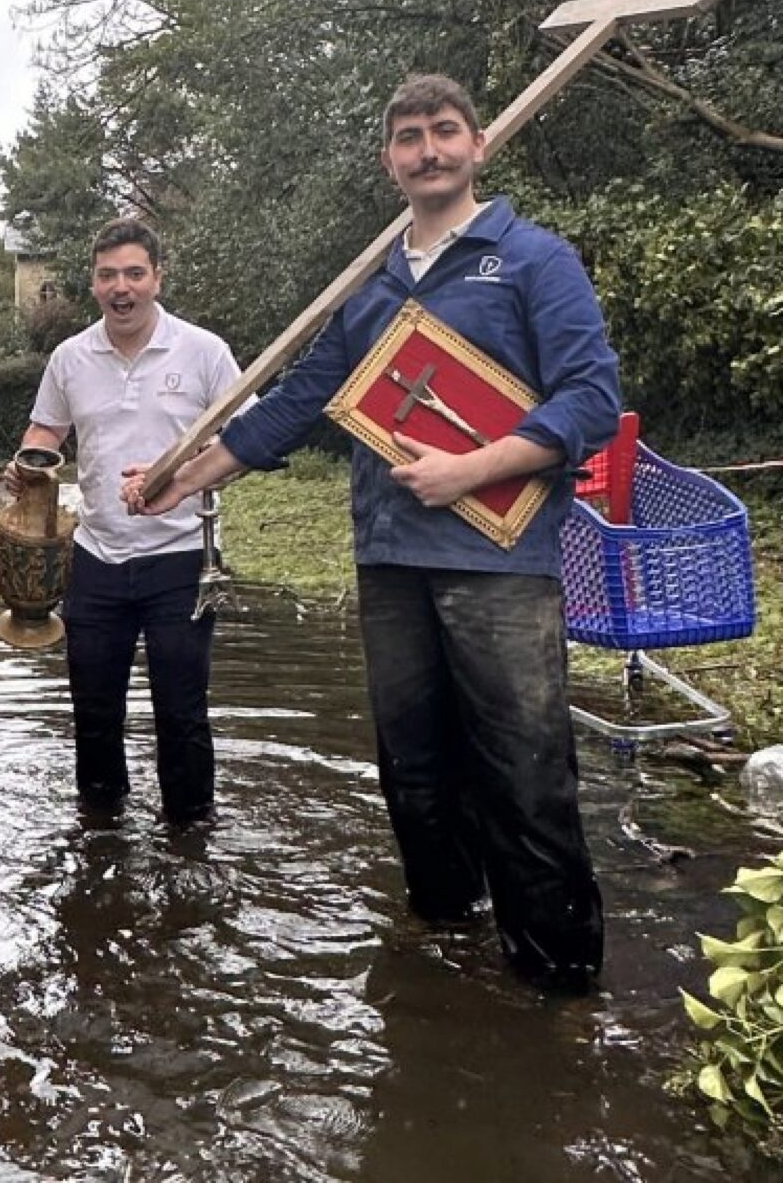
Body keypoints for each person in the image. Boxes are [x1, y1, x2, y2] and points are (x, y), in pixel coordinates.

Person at [127, 75, 621, 985]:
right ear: (389, 159)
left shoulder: (532, 261)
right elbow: (297, 403)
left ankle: (559, 988)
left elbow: (591, 401)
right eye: (408, 137)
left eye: (443, 132)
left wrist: (473, 470)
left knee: (523, 773)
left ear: (479, 145)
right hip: (390, 560)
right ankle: (445, 943)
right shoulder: (369, 286)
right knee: (415, 768)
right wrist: (182, 479)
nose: (427, 149)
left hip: (499, 563)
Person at [6, 218, 242, 825]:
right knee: (92, 709)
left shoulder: (205, 352)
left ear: (158, 278)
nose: (122, 286)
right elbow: (46, 432)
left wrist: (186, 470)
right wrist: (26, 464)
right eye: (108, 274)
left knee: (181, 712)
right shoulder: (70, 359)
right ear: (92, 283)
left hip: (182, 556)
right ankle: (101, 826)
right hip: (98, 558)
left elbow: (244, 445)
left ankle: (192, 833)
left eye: (135, 273)